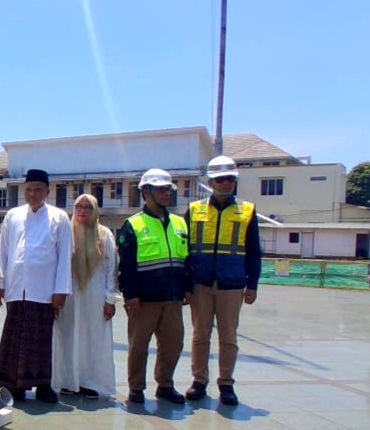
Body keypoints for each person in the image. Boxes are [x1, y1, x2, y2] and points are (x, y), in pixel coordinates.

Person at [185, 155, 262, 406]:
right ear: (210, 181)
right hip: (201, 283)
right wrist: (186, 286)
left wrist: (252, 285)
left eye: (230, 179)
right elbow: (185, 250)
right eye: (220, 179)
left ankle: (226, 383)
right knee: (200, 335)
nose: (226, 183)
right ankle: (199, 380)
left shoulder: (247, 211)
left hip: (232, 283)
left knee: (228, 336)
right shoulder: (194, 210)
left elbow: (254, 251)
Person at [0, 169, 73, 403]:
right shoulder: (13, 216)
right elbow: (3, 251)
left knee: (41, 340)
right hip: (17, 289)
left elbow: (64, 256)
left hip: (44, 290)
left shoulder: (59, 218)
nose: (32, 194)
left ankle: (43, 386)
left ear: (47, 192)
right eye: (28, 189)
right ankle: (13, 386)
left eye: (37, 189)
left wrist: (61, 290)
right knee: (14, 339)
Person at [117, 168, 193, 405]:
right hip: (143, 299)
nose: (165, 193)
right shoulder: (133, 224)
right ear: (145, 191)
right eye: (160, 189)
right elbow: (126, 265)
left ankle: (165, 385)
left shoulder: (180, 223)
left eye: (167, 189)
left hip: (172, 297)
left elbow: (187, 259)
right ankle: (136, 388)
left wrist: (187, 288)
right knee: (139, 346)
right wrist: (130, 295)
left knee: (173, 345)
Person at [52, 194, 118, 399]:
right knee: (68, 335)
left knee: (92, 338)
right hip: (69, 294)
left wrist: (110, 299)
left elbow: (111, 268)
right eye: (78, 206)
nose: (82, 211)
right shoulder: (66, 232)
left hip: (95, 295)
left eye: (87, 207)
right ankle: (68, 381)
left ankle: (90, 382)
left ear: (95, 210)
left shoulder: (104, 235)